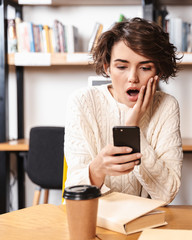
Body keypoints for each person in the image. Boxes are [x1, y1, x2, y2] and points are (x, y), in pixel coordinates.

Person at [64, 17, 183, 204]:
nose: (133, 78)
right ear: (107, 67)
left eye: (145, 67)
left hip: (143, 221)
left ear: (157, 73)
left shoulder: (166, 105)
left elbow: (166, 193)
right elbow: (73, 190)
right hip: (94, 217)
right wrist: (96, 170)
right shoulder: (82, 102)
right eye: (121, 67)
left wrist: (131, 127)